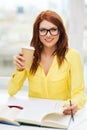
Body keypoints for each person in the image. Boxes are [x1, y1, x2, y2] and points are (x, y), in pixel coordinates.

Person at [8, 10, 87, 115]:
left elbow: (79, 93)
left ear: (60, 31)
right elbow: (11, 90)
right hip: (34, 115)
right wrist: (20, 69)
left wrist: (73, 104)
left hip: (60, 115)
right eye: (43, 30)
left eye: (53, 29)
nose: (48, 35)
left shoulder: (72, 56)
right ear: (37, 32)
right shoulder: (30, 55)